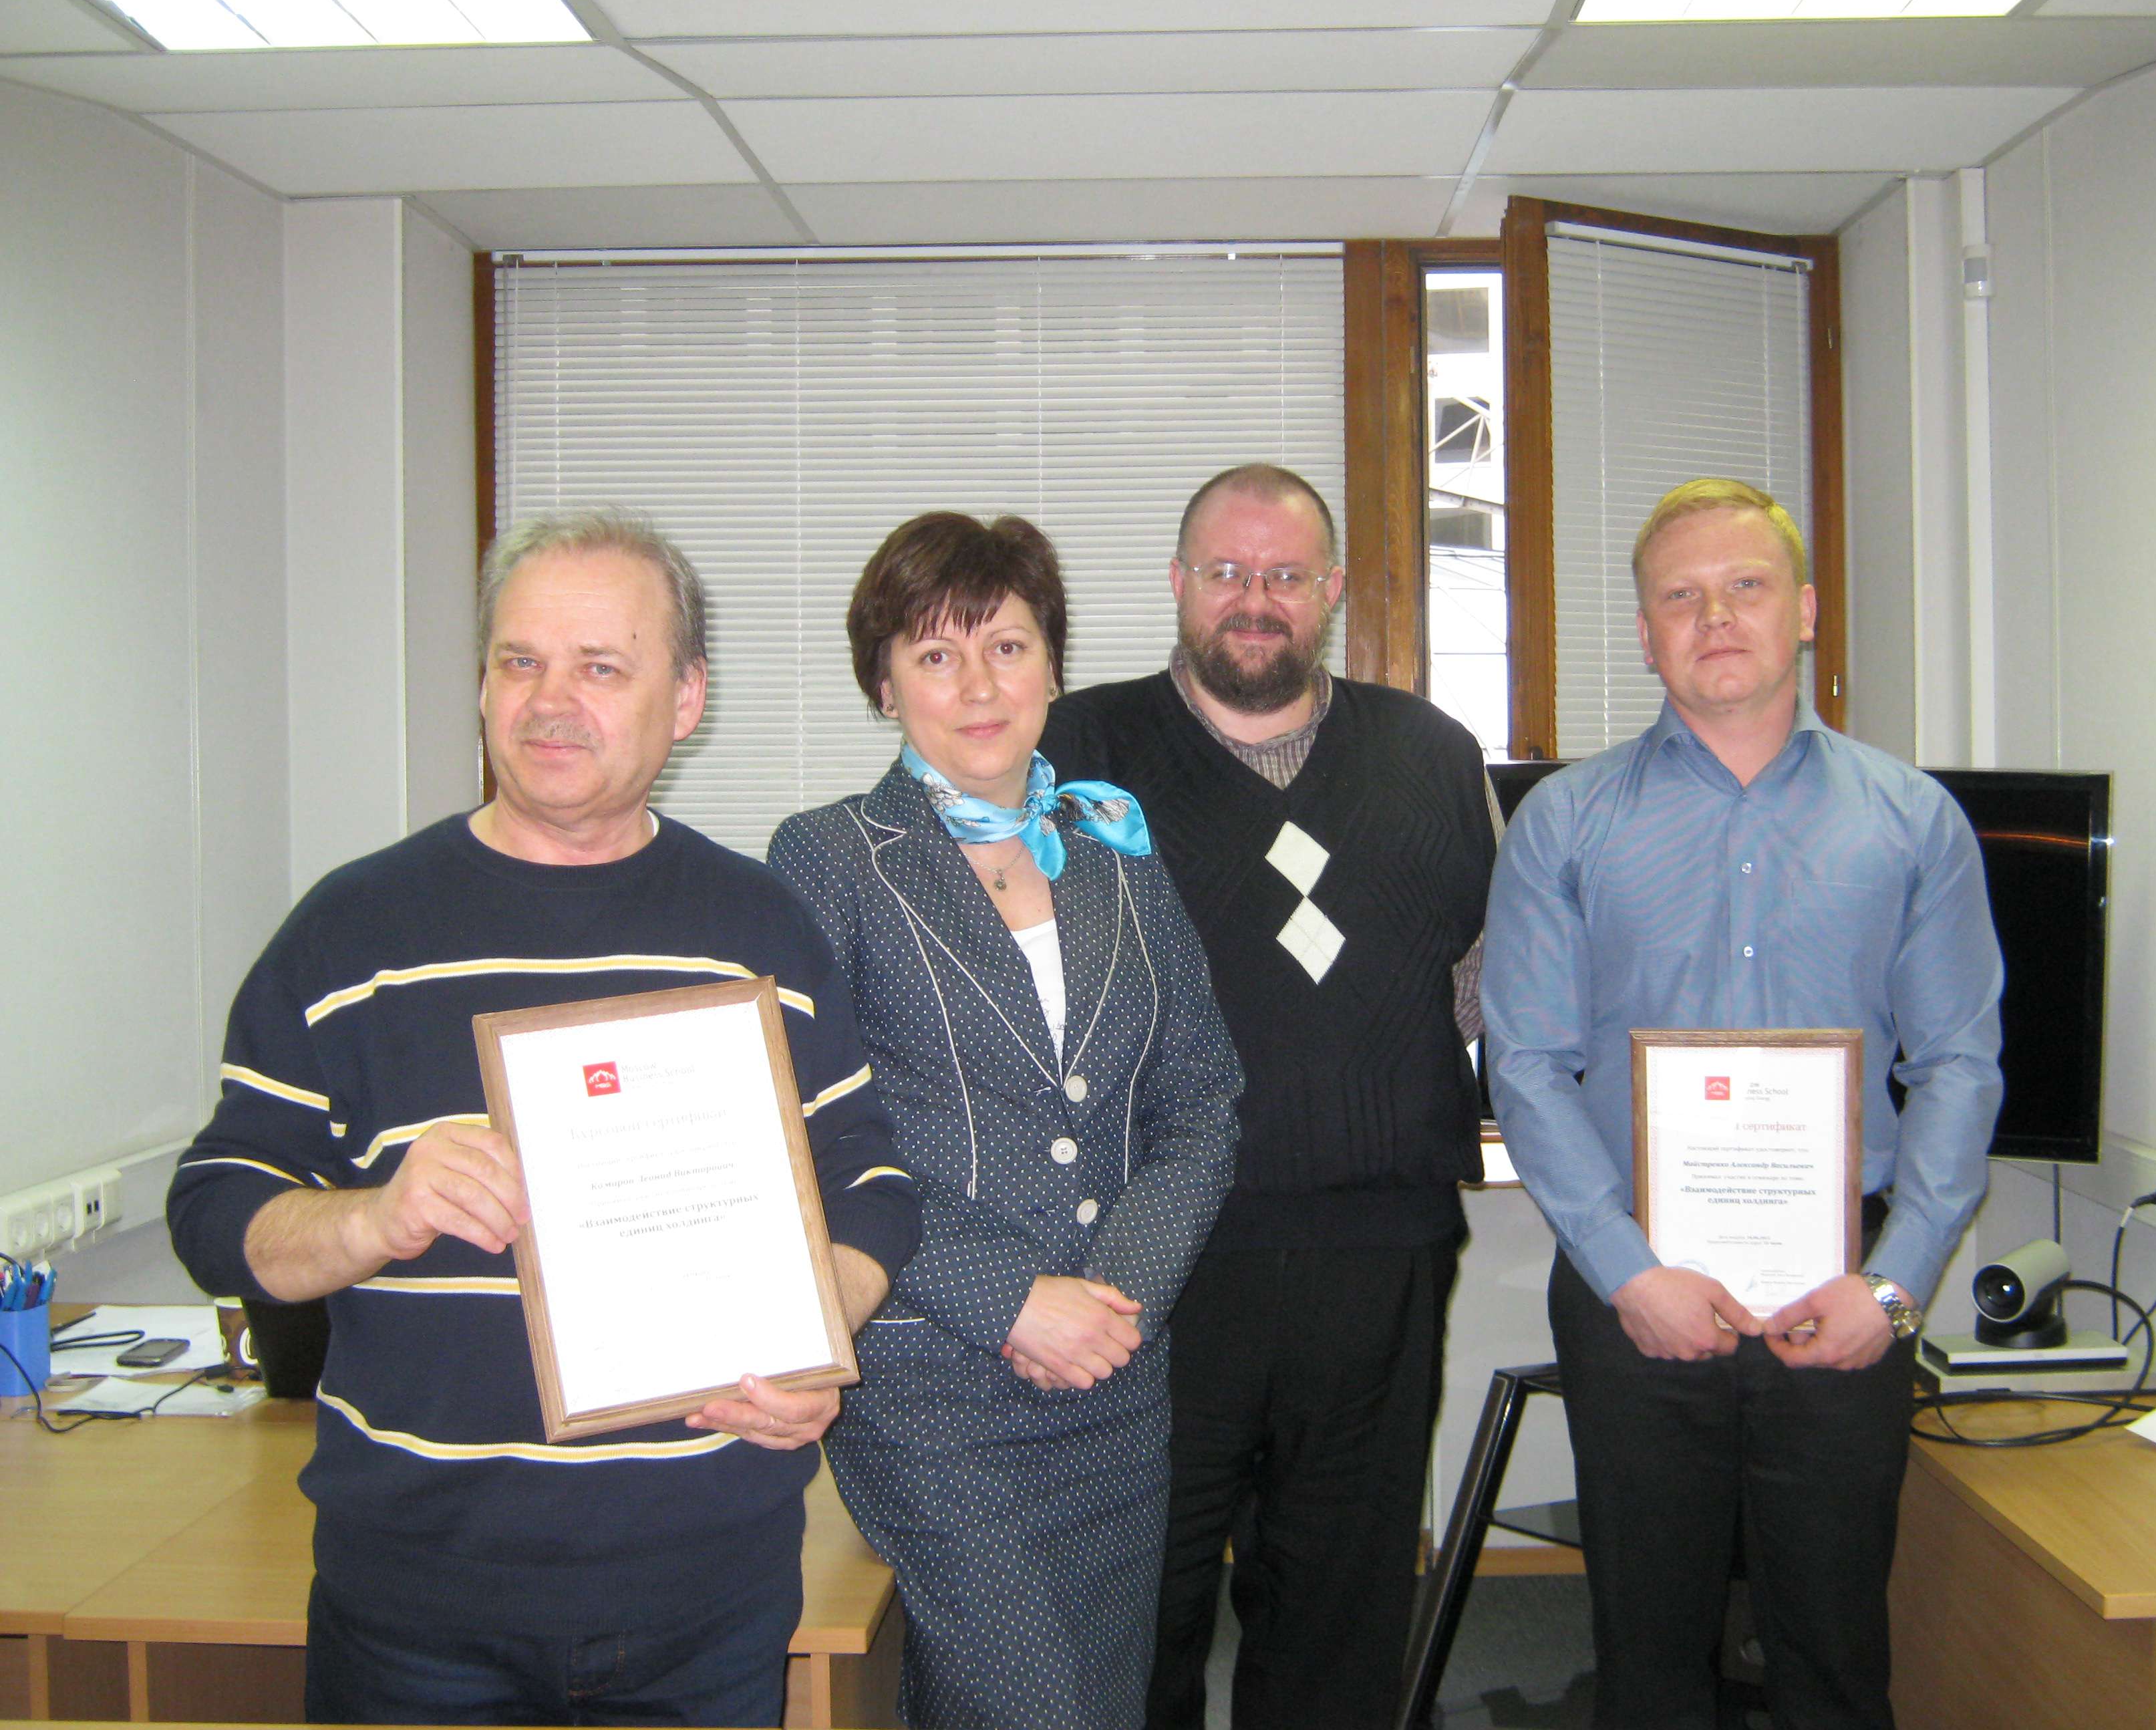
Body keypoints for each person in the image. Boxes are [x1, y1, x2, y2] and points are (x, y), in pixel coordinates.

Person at [167, 513, 919, 1728]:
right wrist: (374, 1217)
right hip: (416, 1610)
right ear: (482, 684)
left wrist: (815, 1331)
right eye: (520, 661)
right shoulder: (351, 932)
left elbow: (869, 1180)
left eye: (601, 667)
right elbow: (214, 1212)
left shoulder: (758, 929)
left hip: (703, 1598)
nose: (550, 701)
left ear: (687, 700)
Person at [1482, 476, 2003, 1730]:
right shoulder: (1565, 823)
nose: (1714, 617)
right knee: (1648, 1661)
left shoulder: (1913, 822)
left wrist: (1896, 1285)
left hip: (1846, 1294)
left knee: (1834, 1656)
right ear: (1646, 632)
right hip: (1634, 1295)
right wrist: (1628, 1273)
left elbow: (1959, 1064)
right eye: (1681, 596)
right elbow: (1527, 1063)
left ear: (1805, 611)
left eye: (1746, 586)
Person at [766, 512, 1242, 1730]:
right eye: (936, 655)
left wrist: (1118, 1296)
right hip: (932, 1380)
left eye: (1010, 648)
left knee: (1104, 1701)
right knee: (1026, 1703)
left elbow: (1201, 1098)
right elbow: (804, 1133)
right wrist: (1011, 1300)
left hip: (1114, 1377)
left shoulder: (1116, 846)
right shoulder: (829, 858)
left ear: (1053, 669)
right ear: (885, 685)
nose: (979, 686)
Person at [1042, 464, 1499, 1730]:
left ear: (1333, 590)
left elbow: (1485, 982)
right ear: (1178, 583)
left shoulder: (1431, 754)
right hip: (1149, 1261)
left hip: (1378, 1252)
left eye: (1287, 575)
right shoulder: (1078, 752)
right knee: (1141, 1607)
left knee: (1341, 1608)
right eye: (1228, 573)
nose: (1257, 600)